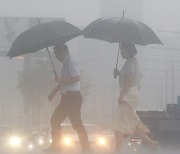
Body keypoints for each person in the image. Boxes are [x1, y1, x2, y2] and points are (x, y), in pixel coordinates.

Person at [44, 44, 91, 154]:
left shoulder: (70, 62)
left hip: (72, 98)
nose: (56, 56)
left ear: (64, 51)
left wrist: (60, 80)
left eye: (57, 53)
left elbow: (76, 78)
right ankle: (57, 146)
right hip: (67, 98)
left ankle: (86, 148)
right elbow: (64, 83)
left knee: (75, 123)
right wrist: (54, 91)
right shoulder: (65, 64)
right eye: (55, 54)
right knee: (57, 120)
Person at [112, 43, 158, 153]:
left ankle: (117, 150)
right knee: (130, 122)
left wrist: (122, 95)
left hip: (128, 95)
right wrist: (118, 74)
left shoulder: (130, 62)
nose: (121, 52)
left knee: (119, 124)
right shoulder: (132, 62)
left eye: (122, 50)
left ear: (128, 50)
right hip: (132, 94)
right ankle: (151, 143)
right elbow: (130, 77)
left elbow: (129, 80)